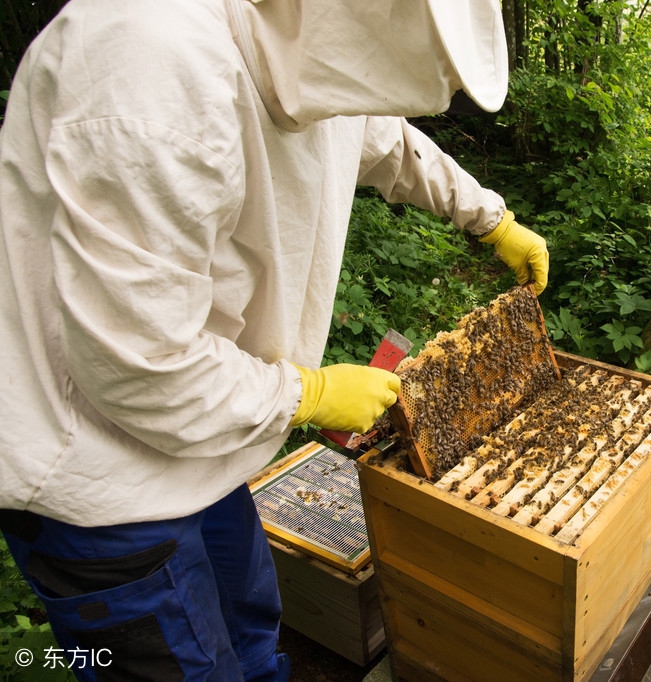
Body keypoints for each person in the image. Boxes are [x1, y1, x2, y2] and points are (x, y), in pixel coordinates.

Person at [0, 0, 548, 679]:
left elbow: (379, 137)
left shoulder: (304, 47)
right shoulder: (149, 66)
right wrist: (306, 393)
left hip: (208, 436)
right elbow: (138, 366)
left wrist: (489, 218)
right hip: (94, 470)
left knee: (253, 628)